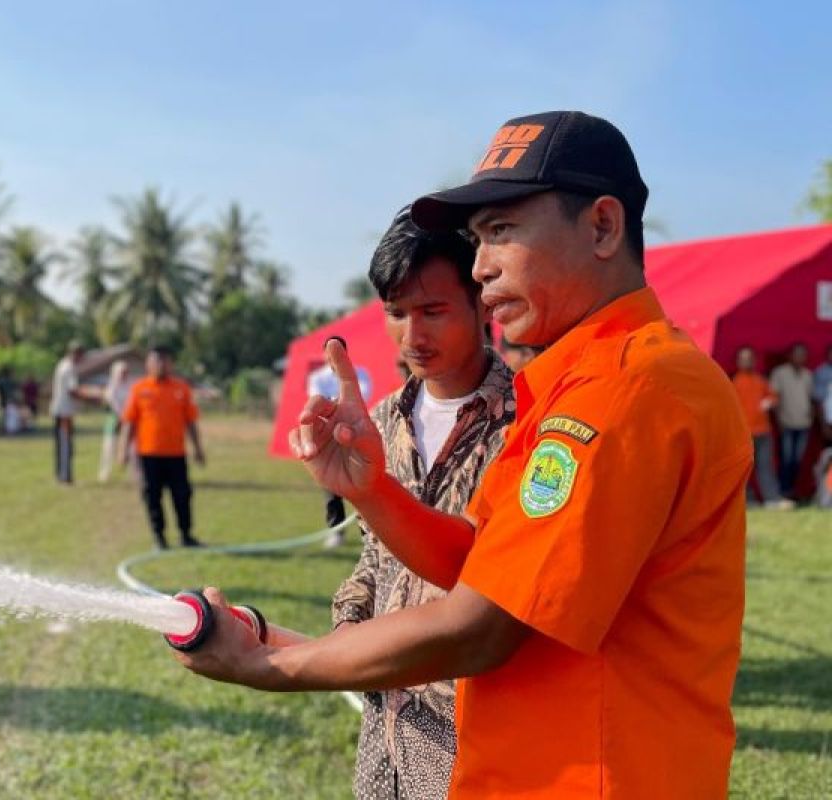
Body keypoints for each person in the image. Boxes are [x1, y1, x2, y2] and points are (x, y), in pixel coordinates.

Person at [175, 111, 751, 799]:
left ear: (602, 226)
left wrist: (270, 667)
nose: (480, 267)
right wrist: (372, 490)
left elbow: (479, 627)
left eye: (502, 231)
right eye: (478, 239)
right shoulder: (578, 382)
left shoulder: (627, 389)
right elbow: (479, 561)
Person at [330, 209, 514, 799]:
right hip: (387, 726)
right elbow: (373, 560)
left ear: (482, 304)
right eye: (395, 313)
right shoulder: (380, 423)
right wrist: (347, 627)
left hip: (483, 735)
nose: (413, 336)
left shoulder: (527, 426)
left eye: (433, 311)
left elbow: (502, 598)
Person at [119, 346, 206, 549]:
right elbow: (129, 423)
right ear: (148, 364)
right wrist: (122, 450)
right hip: (148, 454)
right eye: (156, 361)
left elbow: (191, 421)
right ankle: (159, 538)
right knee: (152, 496)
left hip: (176, 454)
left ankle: (186, 535)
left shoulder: (181, 388)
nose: (160, 365)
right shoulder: (139, 389)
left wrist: (198, 449)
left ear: (171, 364)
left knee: (182, 495)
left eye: (164, 361)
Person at [307, 338, 373, 547]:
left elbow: (363, 393)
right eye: (329, 352)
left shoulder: (359, 373)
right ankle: (336, 531)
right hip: (328, 438)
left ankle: (370, 533)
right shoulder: (318, 377)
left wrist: (336, 403)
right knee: (331, 487)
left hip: (355, 435)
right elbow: (317, 399)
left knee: (363, 486)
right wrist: (340, 403)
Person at [733, 346, 793, 509]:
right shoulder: (734, 382)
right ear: (738, 362)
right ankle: (746, 500)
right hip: (742, 433)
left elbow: (773, 396)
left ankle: (772, 499)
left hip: (763, 431)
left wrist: (769, 402)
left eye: (749, 358)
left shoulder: (761, 380)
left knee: (765, 466)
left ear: (754, 360)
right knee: (742, 469)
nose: (747, 361)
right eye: (743, 358)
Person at [769, 342, 814, 495]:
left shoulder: (808, 375)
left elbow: (811, 399)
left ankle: (793, 490)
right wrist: (778, 420)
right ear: (790, 355)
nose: (800, 357)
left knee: (798, 460)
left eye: (803, 354)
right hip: (786, 422)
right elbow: (774, 399)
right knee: (786, 459)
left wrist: (811, 417)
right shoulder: (779, 373)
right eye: (797, 354)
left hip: (804, 423)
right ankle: (784, 490)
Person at [50, 342, 88, 484]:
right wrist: (91, 396)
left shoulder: (62, 364)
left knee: (62, 445)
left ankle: (62, 475)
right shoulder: (69, 368)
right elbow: (73, 391)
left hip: (62, 410)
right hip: (64, 412)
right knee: (65, 446)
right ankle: (64, 476)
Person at [98, 360, 135, 482]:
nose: (124, 374)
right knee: (109, 447)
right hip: (114, 420)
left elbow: (132, 402)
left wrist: (127, 417)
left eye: (125, 372)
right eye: (121, 372)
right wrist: (121, 416)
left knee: (132, 447)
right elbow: (112, 403)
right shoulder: (111, 386)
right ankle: (105, 473)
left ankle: (134, 473)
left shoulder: (130, 385)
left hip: (128, 420)